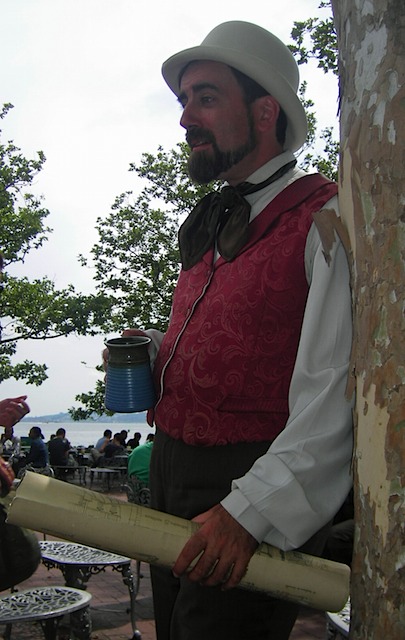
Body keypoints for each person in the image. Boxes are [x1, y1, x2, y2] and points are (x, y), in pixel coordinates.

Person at [106, 21, 353, 640]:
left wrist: (251, 513)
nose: (186, 118)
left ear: (265, 110)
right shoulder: (211, 222)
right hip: (169, 466)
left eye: (206, 97)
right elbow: (242, 343)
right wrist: (157, 352)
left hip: (247, 480)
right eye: (183, 101)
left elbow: (337, 392)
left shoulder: (325, 219)